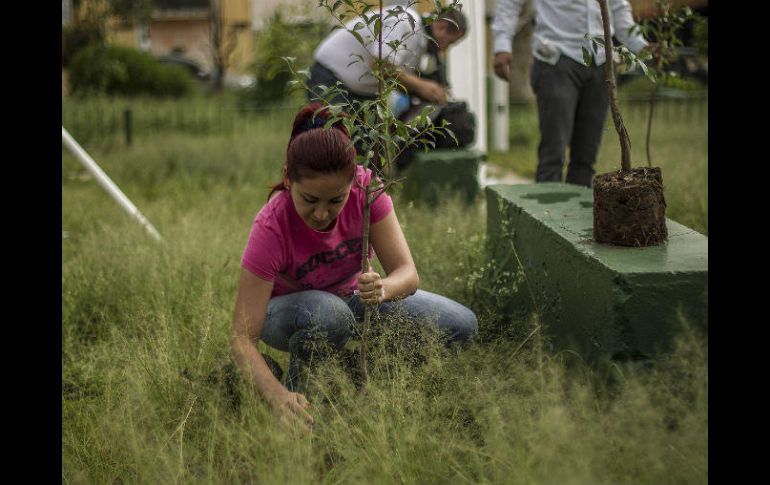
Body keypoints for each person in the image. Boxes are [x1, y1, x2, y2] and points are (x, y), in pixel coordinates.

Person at [230, 103, 478, 428]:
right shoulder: (271, 226)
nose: (322, 214)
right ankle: (300, 406)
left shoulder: (368, 191)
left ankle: (356, 377)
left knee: (462, 325)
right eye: (309, 200)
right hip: (288, 315)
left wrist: (382, 288)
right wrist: (276, 395)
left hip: (355, 301)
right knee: (329, 314)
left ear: (353, 181)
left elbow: (407, 274)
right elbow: (241, 337)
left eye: (336, 200)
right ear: (288, 178)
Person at [492, 0, 649, 187]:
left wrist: (641, 47)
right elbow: (510, 2)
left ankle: (576, 214)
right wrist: (501, 45)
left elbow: (618, 7)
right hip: (557, 59)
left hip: (601, 63)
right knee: (553, 156)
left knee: (586, 158)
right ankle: (546, 215)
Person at [307, 4, 467, 108]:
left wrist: (425, 89)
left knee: (367, 154)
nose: (445, 50)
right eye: (450, 43)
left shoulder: (420, 44)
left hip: (362, 94)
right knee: (329, 147)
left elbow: (394, 79)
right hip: (330, 80)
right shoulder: (406, 21)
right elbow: (380, 64)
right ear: (442, 27)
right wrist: (422, 86)